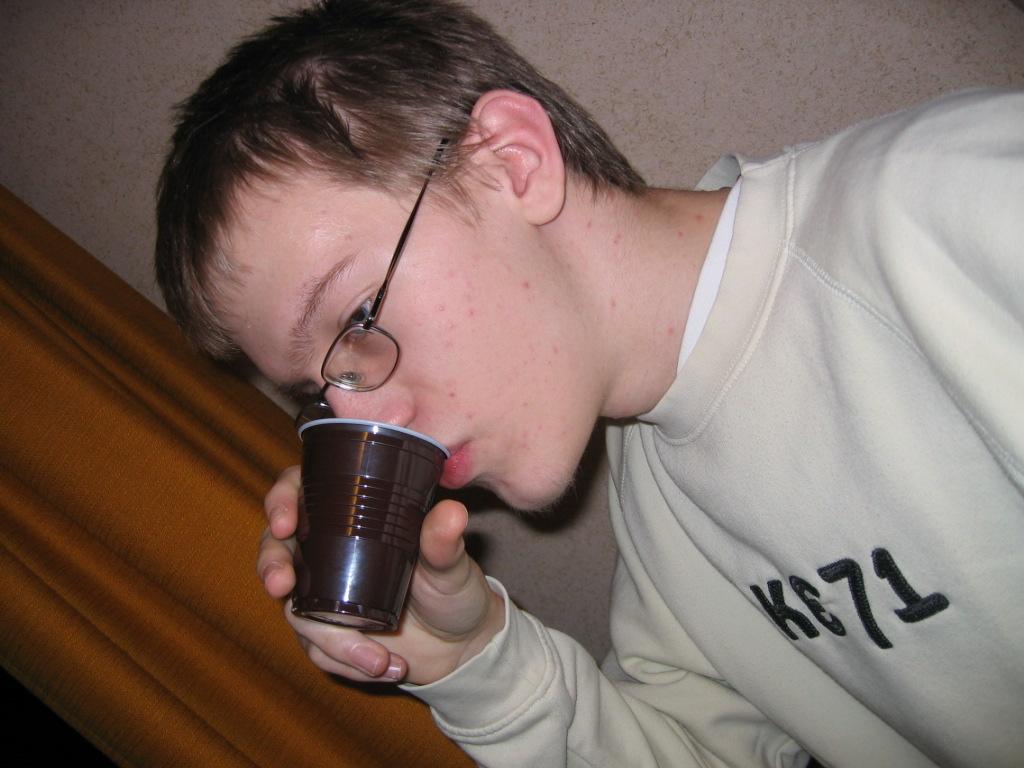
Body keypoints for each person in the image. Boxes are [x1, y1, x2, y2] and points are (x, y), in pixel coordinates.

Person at [155, 1, 1024, 766]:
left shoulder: (963, 210)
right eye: (320, 394)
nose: (367, 421)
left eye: (354, 319)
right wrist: (472, 657)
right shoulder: (663, 518)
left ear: (512, 162)